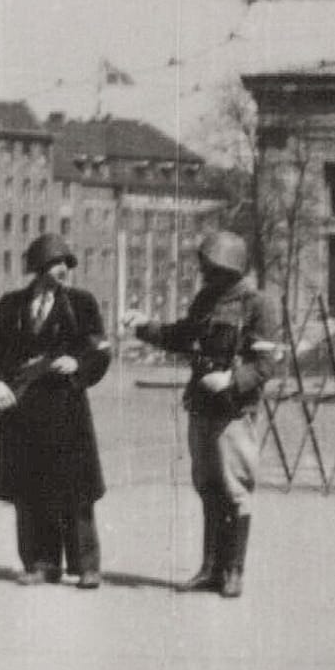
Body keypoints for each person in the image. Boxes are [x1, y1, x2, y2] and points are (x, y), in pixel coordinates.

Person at [135, 229, 284, 599]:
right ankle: (209, 568)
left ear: (231, 268)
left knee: (235, 489)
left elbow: (266, 363)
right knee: (208, 488)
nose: (205, 274)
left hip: (233, 409)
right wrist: (143, 327)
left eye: (212, 268)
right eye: (206, 267)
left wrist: (233, 380)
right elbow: (182, 336)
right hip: (201, 406)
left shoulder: (258, 304)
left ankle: (233, 570)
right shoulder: (205, 300)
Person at [0, 233, 112, 587]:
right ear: (39, 268)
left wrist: (78, 363)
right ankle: (41, 562)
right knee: (30, 490)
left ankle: (86, 566)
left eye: (66, 264)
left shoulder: (80, 304)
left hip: (66, 409)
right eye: (56, 264)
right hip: (22, 410)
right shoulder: (11, 305)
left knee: (75, 491)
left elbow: (100, 349)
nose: (64, 270)